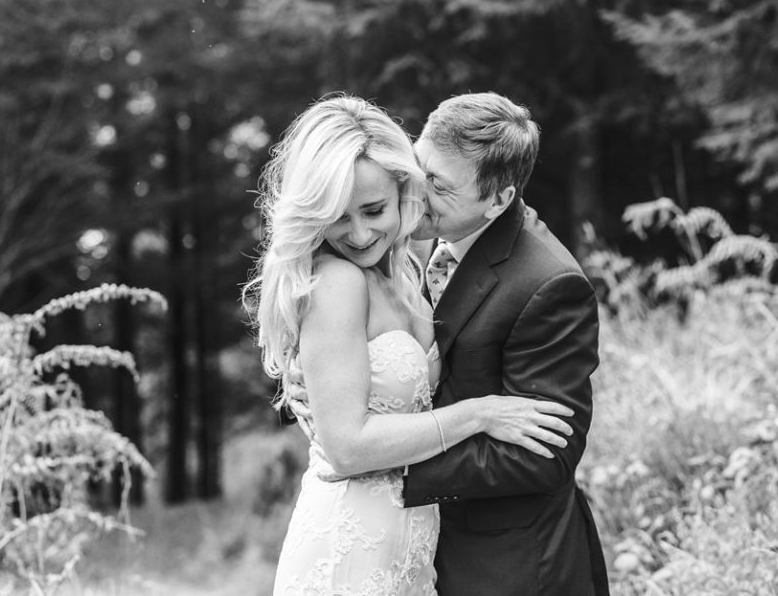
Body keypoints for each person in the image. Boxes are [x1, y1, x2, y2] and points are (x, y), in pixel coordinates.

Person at [242, 95, 576, 596]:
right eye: (337, 216)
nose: (359, 234)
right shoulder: (338, 281)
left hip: (417, 550)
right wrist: (478, 414)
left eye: (374, 210)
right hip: (350, 547)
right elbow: (347, 446)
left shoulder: (407, 266)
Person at [402, 91, 609, 595]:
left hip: (506, 564)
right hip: (411, 547)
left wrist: (388, 463)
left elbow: (545, 455)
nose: (415, 192)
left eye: (439, 186)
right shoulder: (402, 230)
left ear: (499, 199)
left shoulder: (550, 285)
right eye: (417, 167)